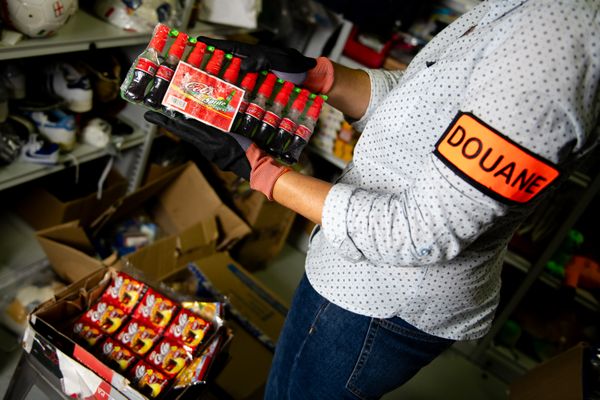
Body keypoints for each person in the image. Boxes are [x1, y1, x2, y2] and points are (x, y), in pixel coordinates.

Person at [145, 0, 600, 398]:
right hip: (355, 268)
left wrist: (264, 172)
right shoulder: (523, 8)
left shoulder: (556, 42)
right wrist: (319, 76)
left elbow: (420, 233)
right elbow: (425, 111)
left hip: (381, 298)